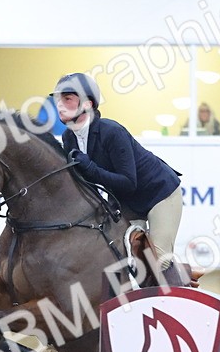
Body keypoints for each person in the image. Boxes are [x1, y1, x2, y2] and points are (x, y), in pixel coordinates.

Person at [52, 72, 184, 272]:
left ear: (87, 104)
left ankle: (179, 288)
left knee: (158, 261)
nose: (59, 104)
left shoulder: (112, 132)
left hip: (159, 195)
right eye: (57, 100)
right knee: (113, 255)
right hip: (126, 201)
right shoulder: (68, 138)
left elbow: (128, 182)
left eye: (67, 99)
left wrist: (90, 168)